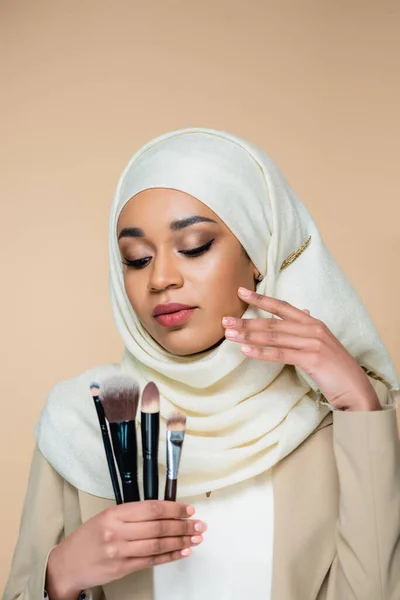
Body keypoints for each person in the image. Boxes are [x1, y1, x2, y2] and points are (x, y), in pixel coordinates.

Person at [3, 128, 400, 600]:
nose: (161, 279)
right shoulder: (81, 422)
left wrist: (358, 403)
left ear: (259, 255)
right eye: (136, 259)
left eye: (193, 246)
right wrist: (60, 576)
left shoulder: (330, 424)